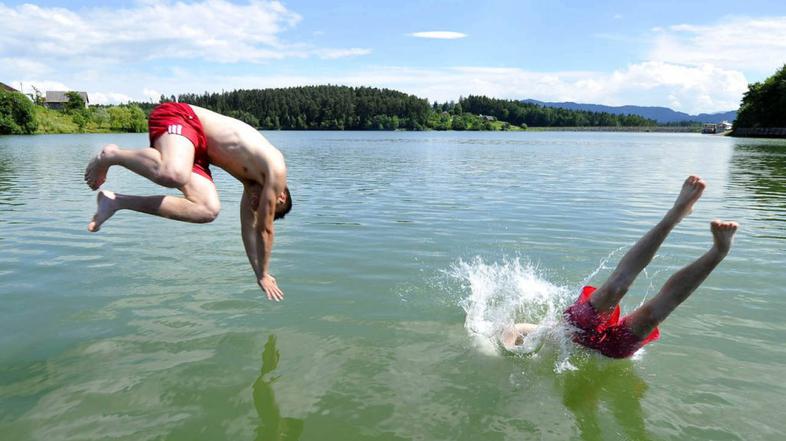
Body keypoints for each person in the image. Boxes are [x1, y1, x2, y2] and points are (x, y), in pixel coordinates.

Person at [501, 176, 738, 358]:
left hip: (576, 330)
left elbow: (514, 329)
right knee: (651, 316)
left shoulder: (546, 329)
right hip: (611, 352)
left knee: (616, 287)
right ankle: (718, 253)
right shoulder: (543, 343)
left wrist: (505, 349)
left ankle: (675, 215)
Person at [84, 102, 292, 301]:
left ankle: (116, 202)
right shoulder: (275, 168)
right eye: (262, 205)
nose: (254, 205)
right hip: (184, 118)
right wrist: (264, 272)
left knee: (207, 210)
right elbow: (264, 229)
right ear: (279, 196)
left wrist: (259, 274)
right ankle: (111, 155)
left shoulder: (252, 188)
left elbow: (249, 231)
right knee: (174, 174)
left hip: (196, 153)